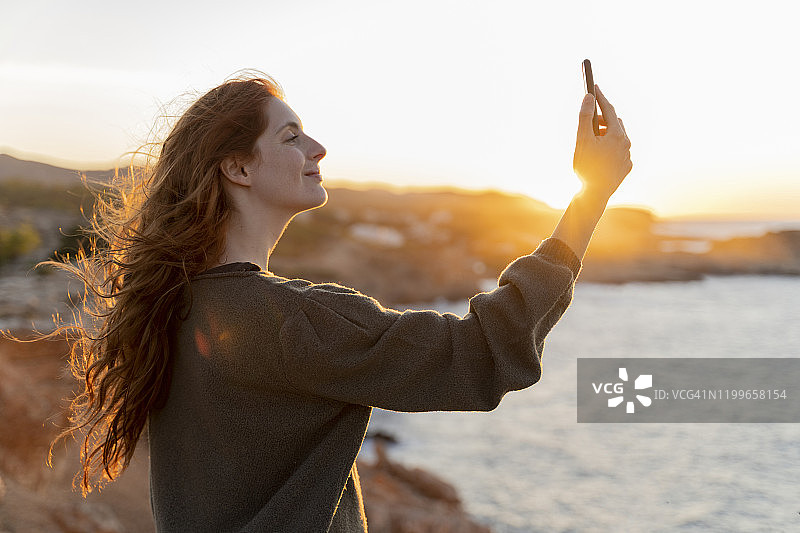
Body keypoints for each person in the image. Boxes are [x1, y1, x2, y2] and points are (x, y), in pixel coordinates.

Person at [42, 71, 632, 532]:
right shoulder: (282, 319)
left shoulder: (175, 306)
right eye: (291, 136)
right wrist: (591, 197)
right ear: (238, 167)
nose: (318, 148)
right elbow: (481, 356)